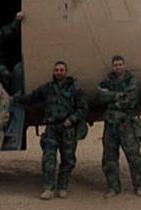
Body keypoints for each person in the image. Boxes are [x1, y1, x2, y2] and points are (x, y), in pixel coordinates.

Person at [17, 61, 88, 200]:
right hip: (51, 127)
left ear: (66, 72)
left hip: (67, 128)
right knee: (48, 158)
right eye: (57, 70)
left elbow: (83, 109)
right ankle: (48, 188)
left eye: (61, 70)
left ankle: (62, 187)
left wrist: (71, 119)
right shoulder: (47, 88)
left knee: (68, 160)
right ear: (54, 72)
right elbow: (32, 98)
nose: (59, 72)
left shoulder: (75, 89)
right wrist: (15, 99)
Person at [96, 55, 141, 198]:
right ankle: (113, 187)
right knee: (109, 158)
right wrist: (119, 96)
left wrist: (111, 97)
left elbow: (130, 100)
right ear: (113, 66)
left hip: (126, 124)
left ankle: (139, 186)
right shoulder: (108, 80)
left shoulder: (131, 80)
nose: (118, 67)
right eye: (115, 65)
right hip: (111, 125)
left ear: (124, 65)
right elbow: (100, 95)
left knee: (134, 157)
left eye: (120, 64)